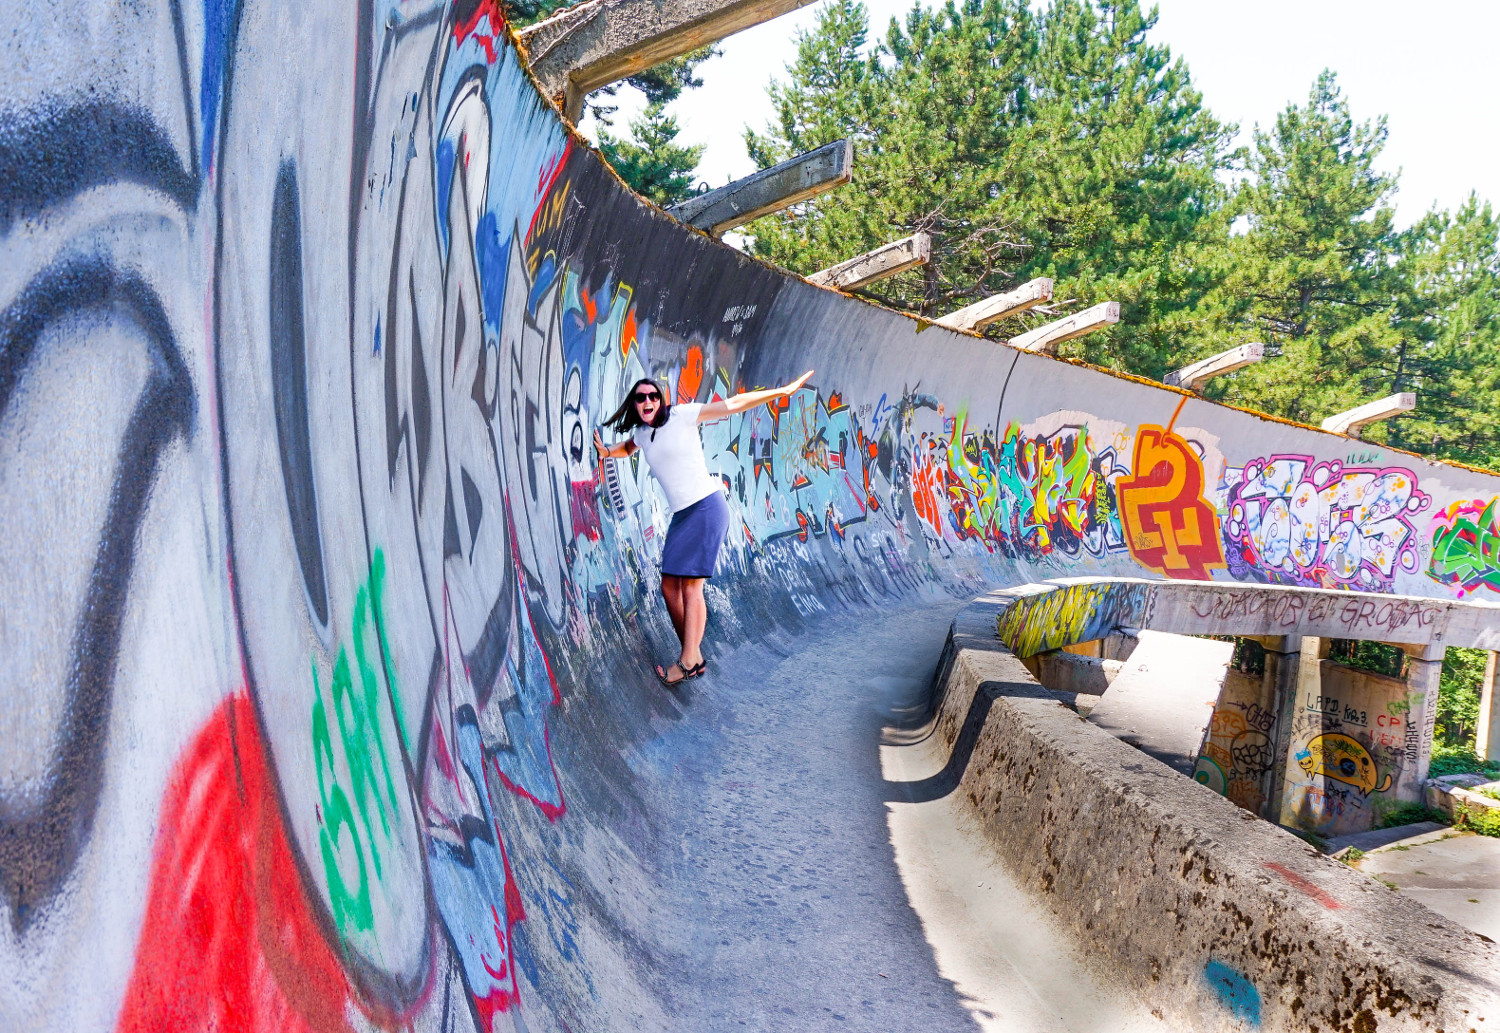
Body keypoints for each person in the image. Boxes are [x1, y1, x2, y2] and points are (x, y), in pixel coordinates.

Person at [594, 370, 815, 687]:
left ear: (662, 400)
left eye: (653, 396)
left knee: (691, 588)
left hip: (707, 508)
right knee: (669, 588)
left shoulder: (681, 416)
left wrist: (782, 391)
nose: (647, 401)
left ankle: (686, 662)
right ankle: (693, 655)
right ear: (635, 403)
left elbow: (733, 404)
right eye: (641, 397)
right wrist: (607, 451)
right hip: (682, 516)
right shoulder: (643, 433)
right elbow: (629, 448)